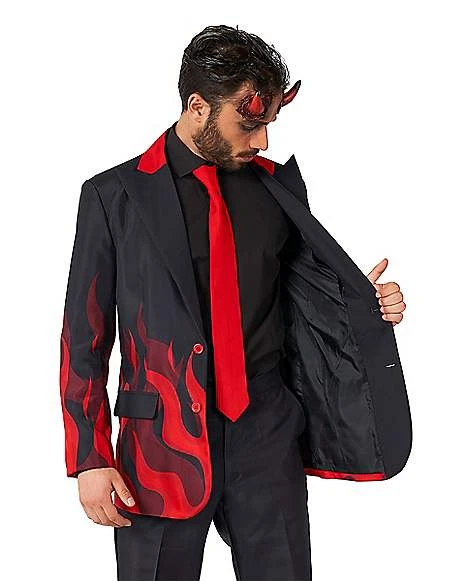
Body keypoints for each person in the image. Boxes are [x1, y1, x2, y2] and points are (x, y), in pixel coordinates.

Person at [59, 24, 408, 581]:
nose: (263, 140)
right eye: (249, 123)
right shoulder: (113, 196)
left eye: (269, 123)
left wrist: (364, 305)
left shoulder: (277, 190)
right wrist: (90, 456)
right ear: (198, 106)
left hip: (266, 435)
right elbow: (84, 336)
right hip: (159, 448)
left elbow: (303, 297)